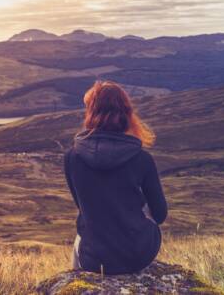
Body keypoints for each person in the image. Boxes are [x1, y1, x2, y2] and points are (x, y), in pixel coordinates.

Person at [64, 81, 167, 274]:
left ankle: (79, 282)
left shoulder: (72, 157)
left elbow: (83, 207)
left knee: (83, 232)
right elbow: (160, 214)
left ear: (91, 113)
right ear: (127, 114)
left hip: (93, 259)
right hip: (138, 255)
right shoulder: (142, 159)